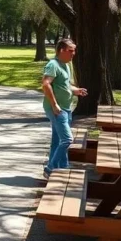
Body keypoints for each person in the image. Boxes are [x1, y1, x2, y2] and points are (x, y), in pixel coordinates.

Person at [41, 38, 88, 178]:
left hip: (66, 108)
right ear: (61, 50)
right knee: (67, 139)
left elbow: (65, 85)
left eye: (74, 50)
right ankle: (49, 169)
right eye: (70, 50)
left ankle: (61, 167)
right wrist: (54, 105)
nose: (73, 53)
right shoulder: (53, 65)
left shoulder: (66, 65)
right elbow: (45, 84)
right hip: (57, 109)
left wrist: (76, 90)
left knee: (57, 140)